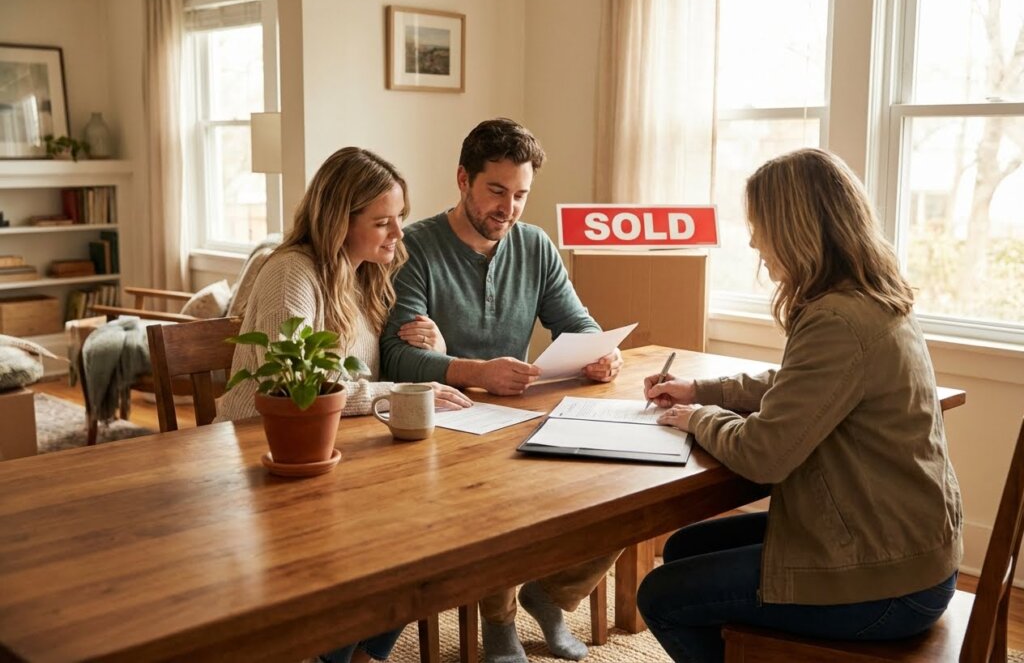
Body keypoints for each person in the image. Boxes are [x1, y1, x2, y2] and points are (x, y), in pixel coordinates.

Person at [636, 148, 963, 663]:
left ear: (794, 228)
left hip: (885, 579)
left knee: (660, 595)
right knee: (683, 550)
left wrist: (698, 418)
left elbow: (764, 455)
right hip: (902, 546)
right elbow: (799, 385)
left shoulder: (835, 319)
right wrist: (704, 391)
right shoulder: (870, 300)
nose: (752, 241)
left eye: (758, 225)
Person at [379, 118, 623, 663]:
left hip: (522, 413)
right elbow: (396, 357)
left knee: (622, 484)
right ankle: (500, 624)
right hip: (452, 426)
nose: (508, 209)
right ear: (464, 179)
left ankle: (550, 595)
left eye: (520, 196)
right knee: (496, 496)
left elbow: (577, 323)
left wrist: (600, 353)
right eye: (496, 191)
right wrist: (478, 371)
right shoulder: (414, 248)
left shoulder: (533, 245)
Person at [218, 146, 471, 663]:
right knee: (383, 540)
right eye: (382, 221)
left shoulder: (364, 274)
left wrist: (435, 349)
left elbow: (376, 371)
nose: (398, 233)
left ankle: (357, 654)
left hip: (330, 447)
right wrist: (399, 393)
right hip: (261, 451)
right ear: (338, 220)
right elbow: (299, 389)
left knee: (424, 533)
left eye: (398, 217)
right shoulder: (292, 272)